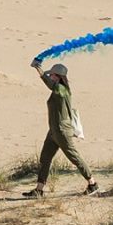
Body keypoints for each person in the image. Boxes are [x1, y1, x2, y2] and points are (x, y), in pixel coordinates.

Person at [26, 57, 97, 197]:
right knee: (45, 158)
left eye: (52, 74)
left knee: (74, 157)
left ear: (58, 77)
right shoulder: (57, 90)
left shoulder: (62, 90)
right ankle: (39, 189)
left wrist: (38, 68)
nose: (50, 76)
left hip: (62, 131)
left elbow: (50, 84)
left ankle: (93, 184)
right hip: (53, 131)